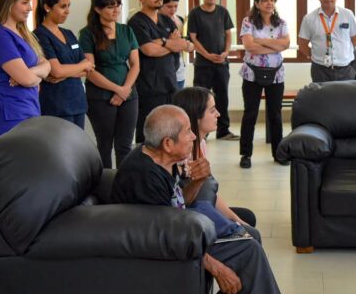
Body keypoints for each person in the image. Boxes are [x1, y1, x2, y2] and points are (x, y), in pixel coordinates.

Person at [111, 105, 281, 294]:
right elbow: (165, 238)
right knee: (249, 250)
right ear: (168, 143)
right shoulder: (145, 178)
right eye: (188, 132)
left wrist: (198, 181)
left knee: (251, 236)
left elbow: (179, 202)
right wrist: (217, 268)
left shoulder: (162, 157)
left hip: (181, 227)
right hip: (167, 245)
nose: (193, 137)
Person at [173, 86, 257, 225]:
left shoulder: (201, 144)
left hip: (203, 205)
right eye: (212, 111)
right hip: (191, 217)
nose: (218, 114)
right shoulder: (180, 155)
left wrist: (237, 220)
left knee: (247, 217)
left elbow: (210, 193)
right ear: (196, 116)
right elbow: (182, 204)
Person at [79, 0, 140, 169]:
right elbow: (89, 70)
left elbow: (135, 65)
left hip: (129, 95)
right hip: (101, 96)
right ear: (97, 9)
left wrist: (125, 90)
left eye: (118, 5)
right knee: (104, 145)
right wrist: (117, 90)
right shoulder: (87, 34)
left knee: (125, 145)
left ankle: (124, 182)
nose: (116, 10)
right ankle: (104, 182)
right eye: (110, 6)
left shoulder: (126, 31)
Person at [0, 0, 51, 138]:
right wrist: (35, 75)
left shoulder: (23, 32)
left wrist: (32, 72)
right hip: (9, 111)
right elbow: (28, 80)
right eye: (25, 3)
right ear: (9, 3)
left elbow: (46, 65)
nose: (30, 8)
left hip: (28, 107)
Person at [128, 0, 192, 144]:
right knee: (149, 138)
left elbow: (180, 45)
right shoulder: (136, 22)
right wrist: (170, 43)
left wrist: (162, 43)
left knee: (170, 134)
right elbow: (148, 50)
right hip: (149, 88)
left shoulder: (167, 20)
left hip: (170, 84)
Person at [238, 0, 291, 168]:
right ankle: (246, 154)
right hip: (252, 74)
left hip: (276, 74)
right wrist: (274, 46)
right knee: (250, 114)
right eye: (265, 0)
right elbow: (249, 46)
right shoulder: (248, 21)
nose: (269, 3)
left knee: (275, 114)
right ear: (257, 3)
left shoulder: (281, 23)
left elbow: (286, 44)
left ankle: (278, 153)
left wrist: (259, 41)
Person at [33, 0, 93, 129]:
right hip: (57, 106)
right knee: (61, 144)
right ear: (47, 7)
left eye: (68, 6)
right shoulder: (40, 35)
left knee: (77, 143)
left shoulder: (68, 34)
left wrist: (65, 72)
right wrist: (80, 66)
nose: (67, 11)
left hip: (77, 103)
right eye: (62, 6)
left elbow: (88, 68)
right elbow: (56, 71)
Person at [187, 0, 239, 140]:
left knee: (222, 97)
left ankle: (223, 131)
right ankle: (199, 133)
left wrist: (226, 52)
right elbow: (193, 38)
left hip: (221, 63)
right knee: (201, 99)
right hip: (203, 64)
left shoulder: (223, 12)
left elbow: (228, 34)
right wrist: (207, 55)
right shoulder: (195, 13)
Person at [298, 0, 356, 82]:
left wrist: (343, 54)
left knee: (346, 93)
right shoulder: (309, 19)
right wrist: (316, 55)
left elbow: (355, 39)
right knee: (322, 93)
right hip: (320, 70)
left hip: (345, 69)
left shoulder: (347, 14)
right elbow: (302, 44)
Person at [159, 0, 193, 89]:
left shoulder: (180, 20)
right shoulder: (155, 21)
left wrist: (188, 46)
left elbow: (190, 44)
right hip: (162, 72)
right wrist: (172, 43)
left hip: (179, 70)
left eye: (176, 6)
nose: (173, 10)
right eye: (169, 6)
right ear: (161, 4)